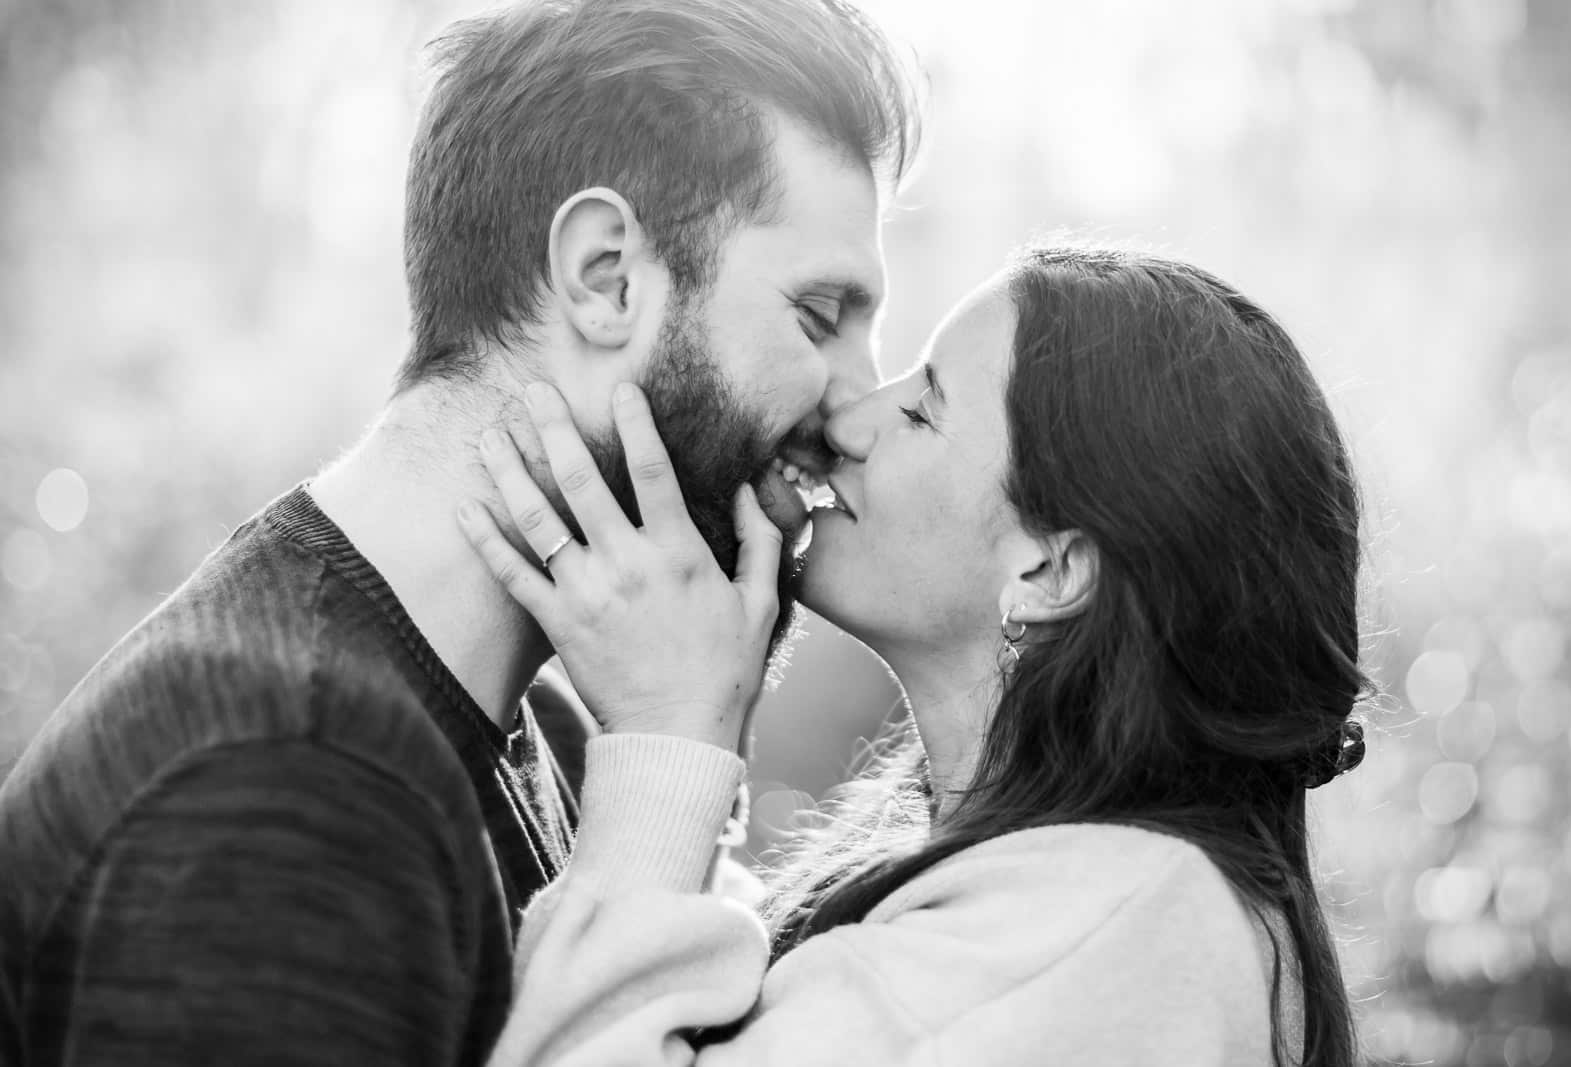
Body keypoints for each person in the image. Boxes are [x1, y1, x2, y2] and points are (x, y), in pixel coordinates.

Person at [0, 1, 916, 1062]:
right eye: (818, 316)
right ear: (604, 274)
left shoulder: (559, 749)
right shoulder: (287, 787)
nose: (858, 404)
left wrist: (677, 758)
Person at [461, 243, 1372, 1066]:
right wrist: (705, 724)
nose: (853, 420)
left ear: (1051, 569)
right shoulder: (1105, 911)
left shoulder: (1068, 948)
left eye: (926, 407)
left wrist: (668, 734)